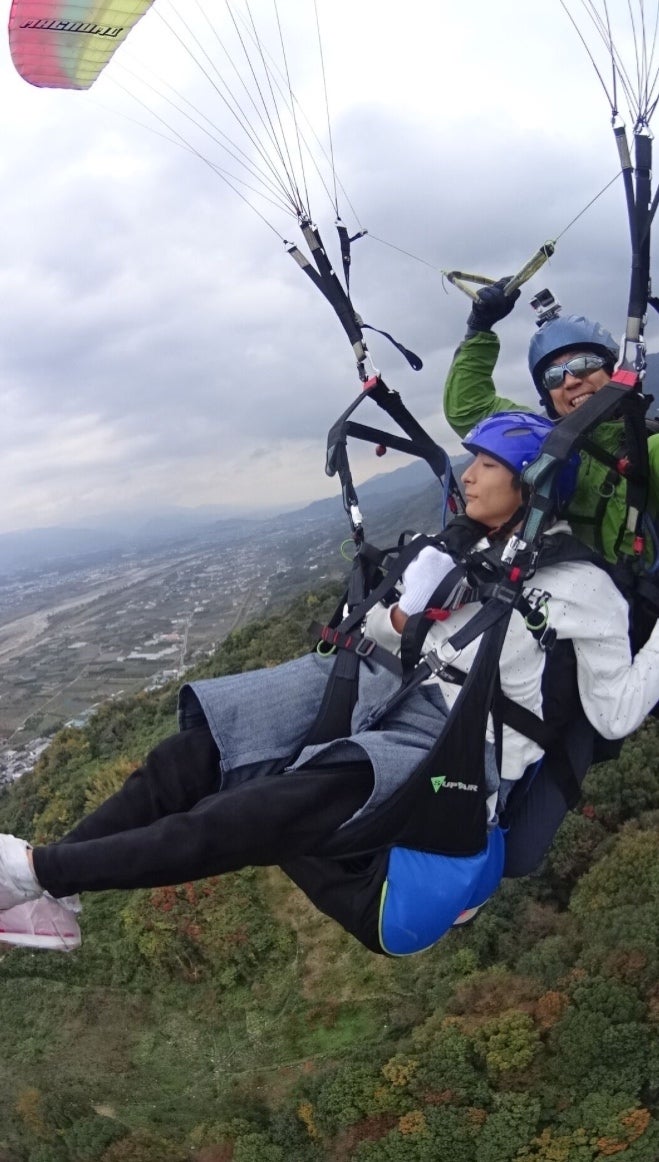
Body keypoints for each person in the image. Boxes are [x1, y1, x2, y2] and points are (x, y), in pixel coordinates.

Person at [1, 413, 658, 956]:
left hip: (463, 744)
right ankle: (52, 894)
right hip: (383, 685)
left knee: (266, 809)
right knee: (191, 755)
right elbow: (370, 623)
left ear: (533, 483)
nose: (469, 475)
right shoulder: (453, 549)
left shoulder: (581, 587)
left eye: (487, 465)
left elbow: (614, 713)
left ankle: (40, 870)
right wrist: (406, 611)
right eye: (473, 462)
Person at [442, 279, 659, 562]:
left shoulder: (648, 449)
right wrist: (479, 329)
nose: (570, 381)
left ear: (613, 371)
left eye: (584, 364)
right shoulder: (543, 443)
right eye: (553, 377)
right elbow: (467, 408)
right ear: (549, 397)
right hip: (568, 583)